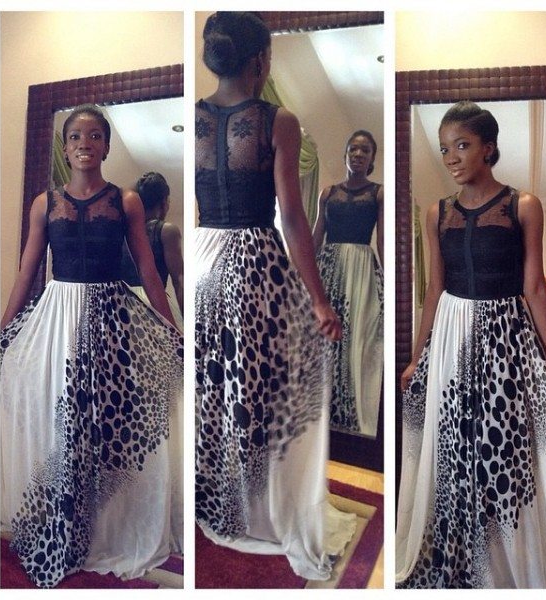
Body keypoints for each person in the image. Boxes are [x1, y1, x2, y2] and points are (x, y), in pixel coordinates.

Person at [195, 11, 356, 581]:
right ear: (261, 61)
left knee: (214, 391)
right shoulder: (276, 121)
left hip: (203, 262)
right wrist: (319, 300)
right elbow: (291, 216)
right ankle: (264, 509)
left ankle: (222, 500)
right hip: (252, 265)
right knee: (264, 389)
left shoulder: (194, 116)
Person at [395, 100, 546, 588]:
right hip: (451, 337)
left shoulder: (524, 205)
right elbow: (434, 289)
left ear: (489, 148)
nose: (451, 157)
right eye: (444, 149)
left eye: (462, 145)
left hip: (508, 340)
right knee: (456, 447)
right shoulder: (436, 213)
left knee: (503, 448)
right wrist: (417, 358)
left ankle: (503, 560)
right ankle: (463, 556)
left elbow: (534, 287)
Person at [0, 104, 183, 588]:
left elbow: (148, 269)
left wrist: (170, 330)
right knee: (63, 424)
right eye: (76, 136)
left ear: (106, 145)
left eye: (95, 135)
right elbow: (28, 271)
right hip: (57, 319)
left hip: (112, 319)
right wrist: (3, 329)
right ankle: (64, 521)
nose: (85, 143)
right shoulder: (44, 203)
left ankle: (108, 527)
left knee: (106, 422)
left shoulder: (127, 201)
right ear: (65, 148)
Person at [312, 130, 383, 436]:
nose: (358, 154)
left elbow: (383, 240)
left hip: (362, 271)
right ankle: (321, 414)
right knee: (324, 339)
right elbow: (316, 236)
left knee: (357, 340)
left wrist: (388, 282)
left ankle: (351, 416)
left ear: (372, 159)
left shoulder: (378, 193)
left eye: (365, 150)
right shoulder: (327, 193)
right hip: (327, 268)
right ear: (345, 154)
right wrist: (302, 277)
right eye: (353, 149)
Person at [120, 171, 184, 329]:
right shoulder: (166, 231)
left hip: (122, 306)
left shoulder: (121, 229)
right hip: (154, 303)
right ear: (164, 202)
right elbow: (179, 280)